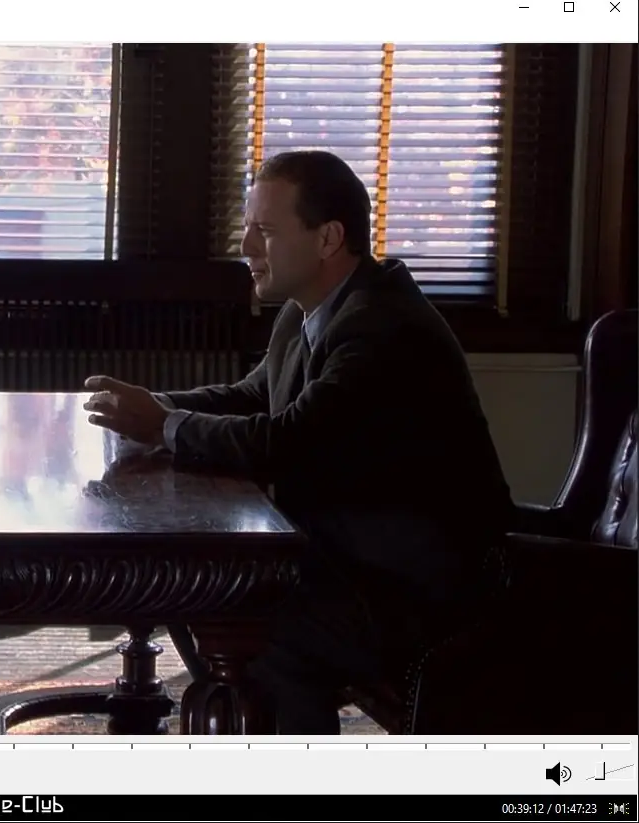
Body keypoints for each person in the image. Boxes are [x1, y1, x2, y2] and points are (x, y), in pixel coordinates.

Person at [83, 150, 513, 734]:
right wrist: (153, 407)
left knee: (248, 626)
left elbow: (288, 440)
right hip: (348, 562)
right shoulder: (307, 309)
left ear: (328, 238)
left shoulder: (383, 326)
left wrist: (162, 425)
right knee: (200, 593)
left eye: (264, 231)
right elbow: (251, 397)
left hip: (416, 590)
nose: (245, 247)